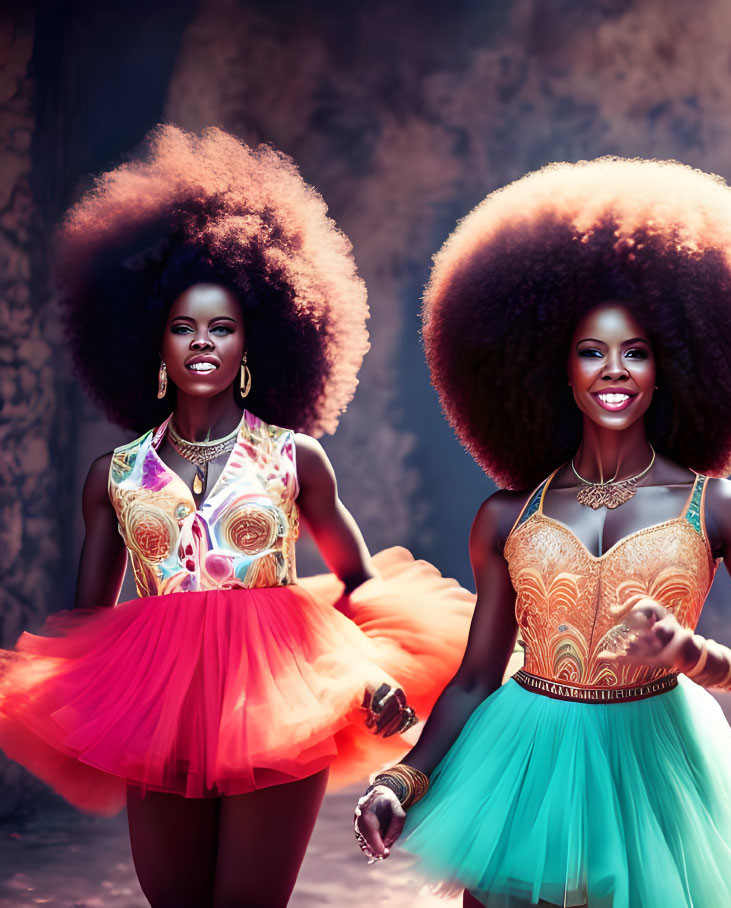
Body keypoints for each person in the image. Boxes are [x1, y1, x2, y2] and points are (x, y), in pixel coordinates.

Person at [0, 126, 472, 908]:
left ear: (254, 342)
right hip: (160, 709)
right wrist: (89, 710)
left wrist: (367, 674)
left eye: (222, 328)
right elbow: (90, 617)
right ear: (155, 346)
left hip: (279, 701)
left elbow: (359, 583)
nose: (202, 344)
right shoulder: (114, 476)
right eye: (183, 328)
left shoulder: (295, 459)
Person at [354, 157, 731, 907]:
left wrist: (696, 655)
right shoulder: (506, 515)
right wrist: (401, 777)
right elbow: (478, 677)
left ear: (671, 364)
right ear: (553, 366)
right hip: (517, 770)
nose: (613, 370)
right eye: (591, 350)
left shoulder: (723, 509)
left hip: (656, 777)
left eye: (635, 351)